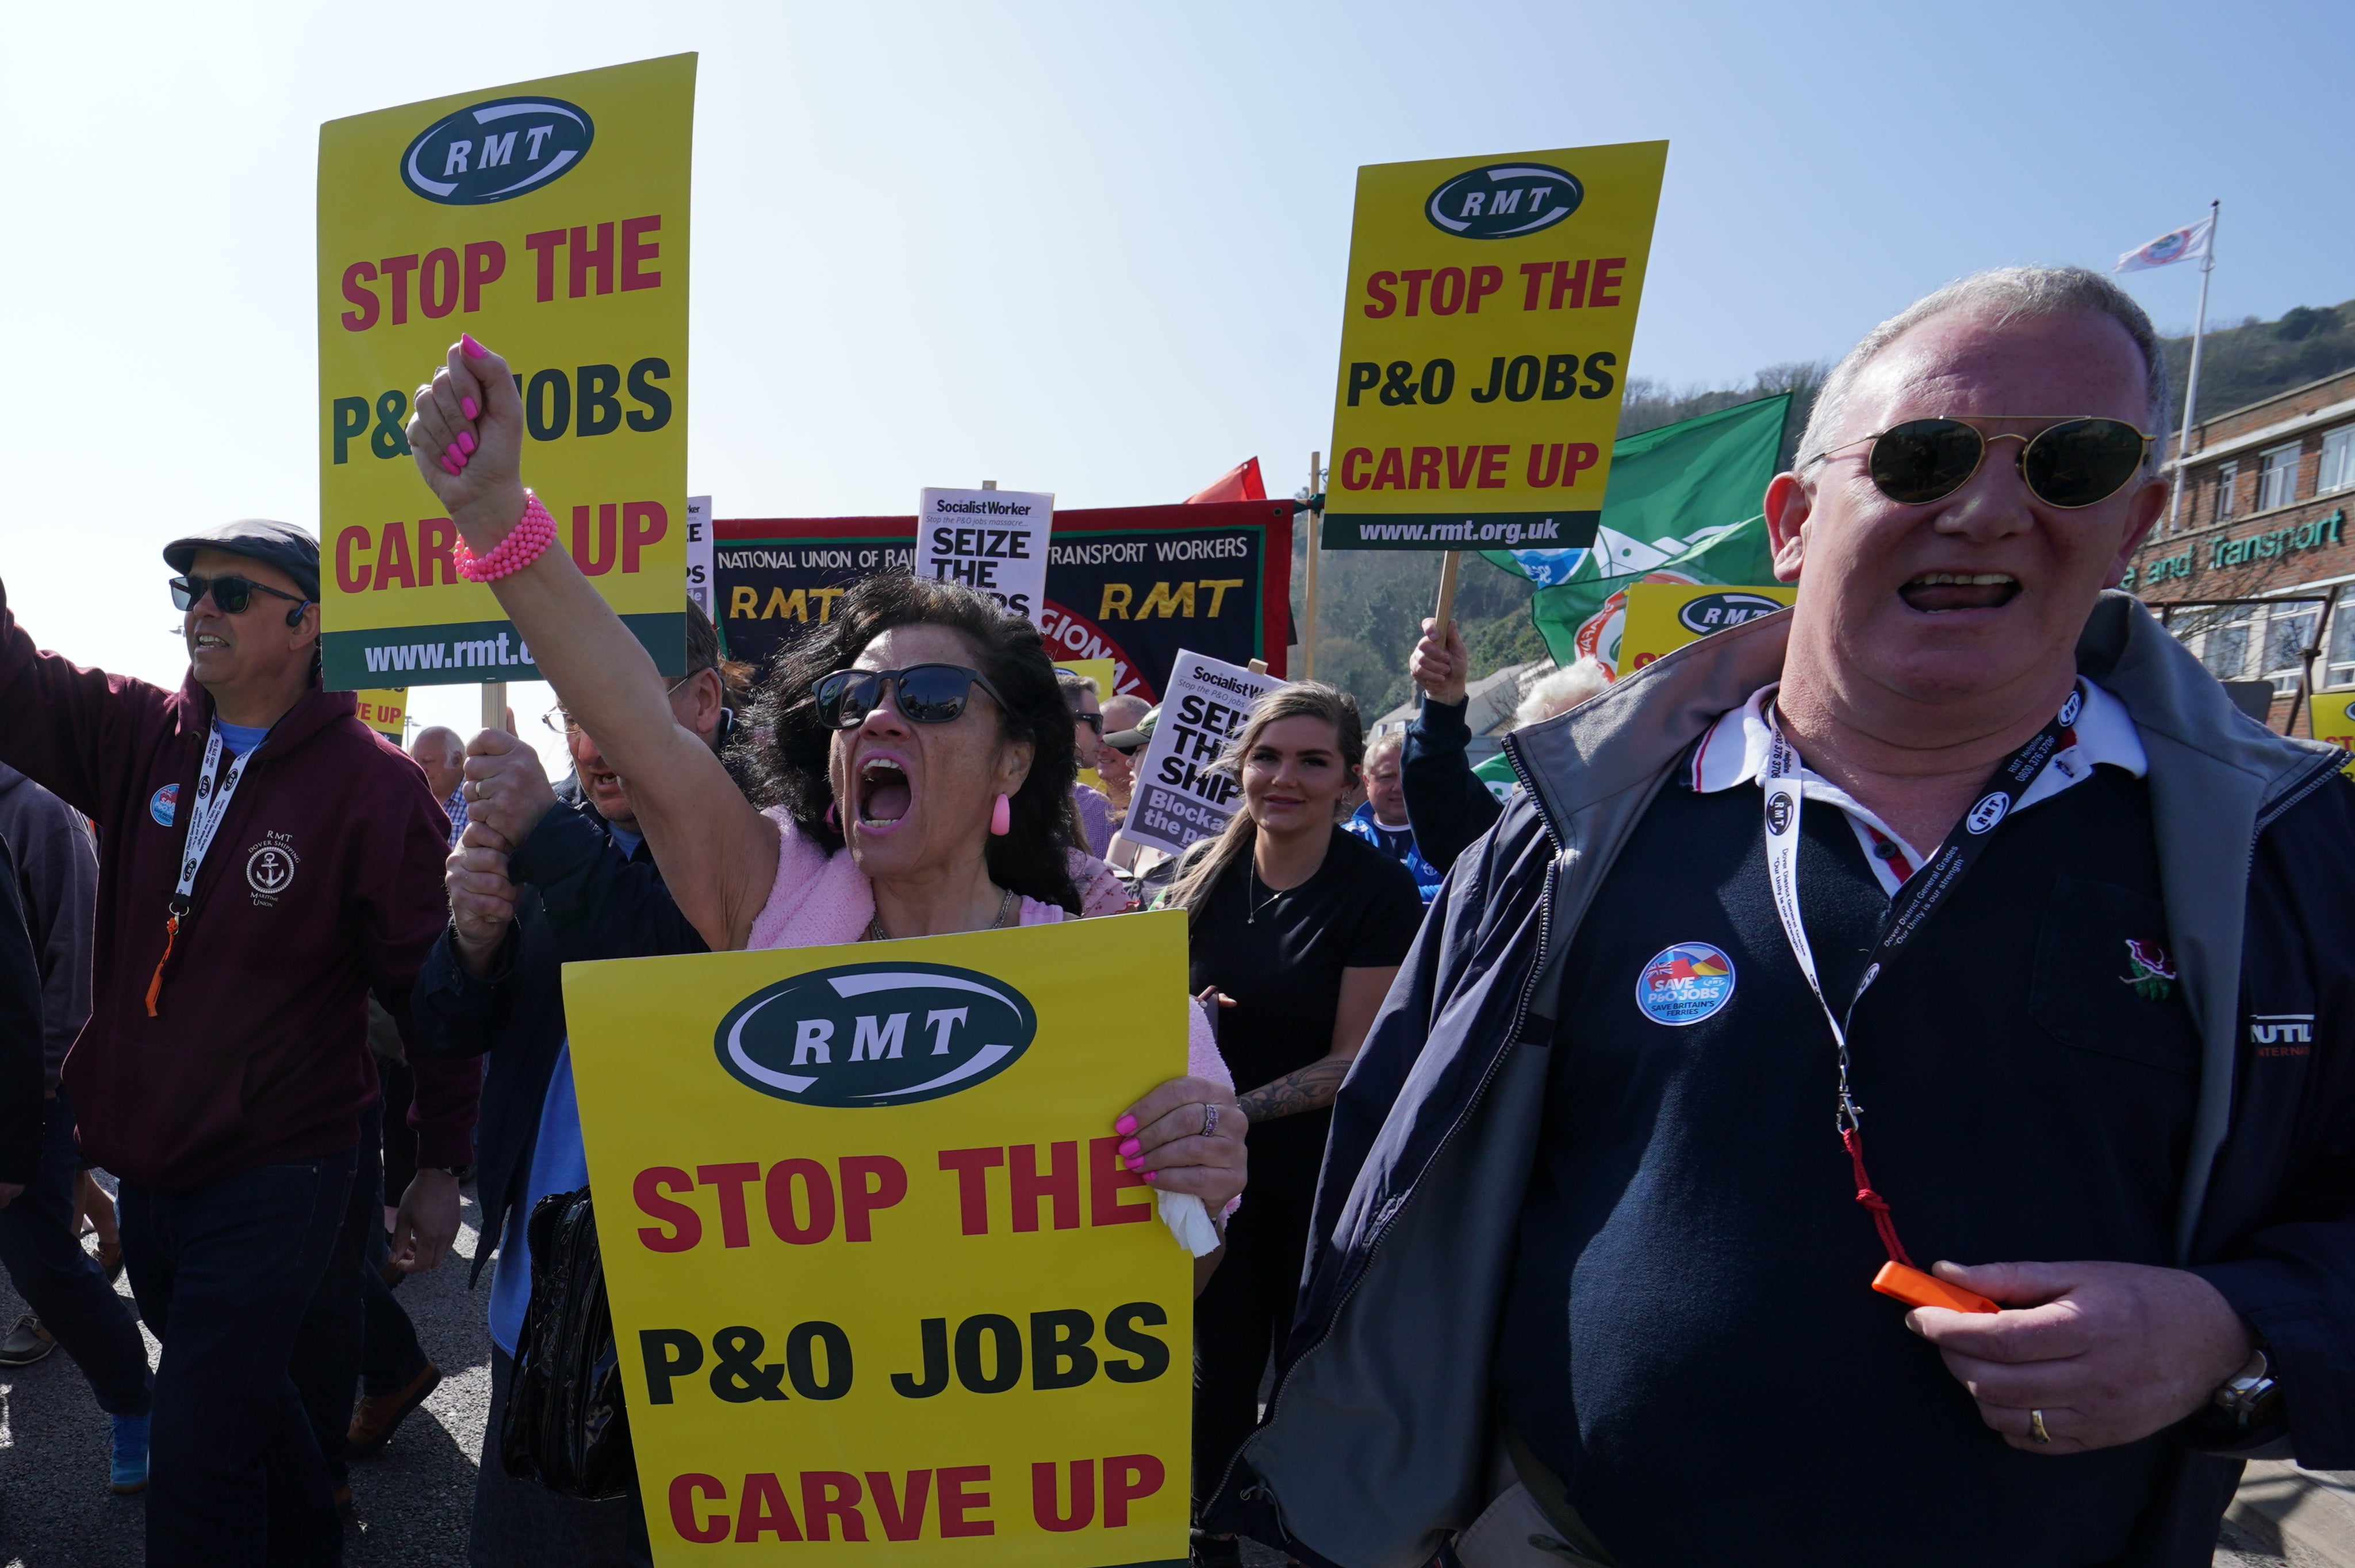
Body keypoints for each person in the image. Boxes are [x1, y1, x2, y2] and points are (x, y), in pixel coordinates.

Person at [1209, 266, 2355, 1568]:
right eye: (1923, 457)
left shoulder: (2284, 851)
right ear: (1795, 519)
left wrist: (2231, 1323)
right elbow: (1387, 1192)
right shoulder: (1574, 825)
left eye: (2070, 461)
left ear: (2137, 517)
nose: (1989, 508)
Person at [399, 332, 1245, 1248]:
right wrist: (494, 515)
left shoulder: (1109, 986)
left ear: (1014, 760)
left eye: (931, 699)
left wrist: (1199, 1178)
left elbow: (1177, 1281)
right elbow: (643, 731)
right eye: (853, 699)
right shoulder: (780, 899)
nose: (880, 719)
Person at [0, 519, 479, 1562]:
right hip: (154, 1166)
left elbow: (432, 997)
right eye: (189, 590)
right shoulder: (136, 731)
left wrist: (442, 1160)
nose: (199, 607)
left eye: (229, 590)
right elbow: (13, 678)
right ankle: (312, 1538)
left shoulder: (374, 783)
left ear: (307, 625)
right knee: (247, 1398)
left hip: (285, 1162)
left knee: (200, 1438)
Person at [413, 602, 733, 1566]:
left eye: (612, 701)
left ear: (706, 699)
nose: (590, 738)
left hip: (712, 1299)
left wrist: (550, 836)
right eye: (569, 709)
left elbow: (671, 971)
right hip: (543, 1293)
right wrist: (471, 944)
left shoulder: (773, 834)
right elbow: (447, 1027)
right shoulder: (544, 826)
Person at [1159, 683, 1425, 1567]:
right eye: (1269, 757)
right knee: (1215, 1376)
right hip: (1209, 1187)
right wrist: (1184, 1022)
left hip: (1319, 1186)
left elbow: (1357, 1058)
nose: (1286, 778)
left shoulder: (1379, 891)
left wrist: (1232, 1108)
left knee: (1312, 1379)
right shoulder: (1198, 871)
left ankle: (1313, 1533)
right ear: (1241, 767)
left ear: (1350, 781)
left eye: (1314, 761)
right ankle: (1214, 1538)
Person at [0, 766, 154, 1489]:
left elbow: (77, 960)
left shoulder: (38, 813)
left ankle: (134, 1403)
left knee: (41, 1263)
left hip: (31, 1081)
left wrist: (51, 1087)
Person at [1402, 632, 1609, 875]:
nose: (1578, 749)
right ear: (1529, 755)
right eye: (1556, 736)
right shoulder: (1513, 838)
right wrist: (1442, 699)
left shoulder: (1649, 820)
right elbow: (1441, 800)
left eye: (1590, 726)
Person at [1342, 731, 1441, 902]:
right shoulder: (1343, 840)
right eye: (1387, 777)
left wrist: (1380, 899)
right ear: (1367, 782)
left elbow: (1464, 890)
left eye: (1409, 775)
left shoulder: (1455, 838)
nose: (1399, 787)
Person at [1060, 669, 1115, 856]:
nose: (1102, 736)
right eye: (1096, 722)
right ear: (1066, 722)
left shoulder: (1001, 786)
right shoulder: (1095, 806)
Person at [411, 726, 469, 848]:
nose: (420, 768)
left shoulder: (478, 804)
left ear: (457, 760)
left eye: (428, 761)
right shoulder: (410, 801)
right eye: (415, 762)